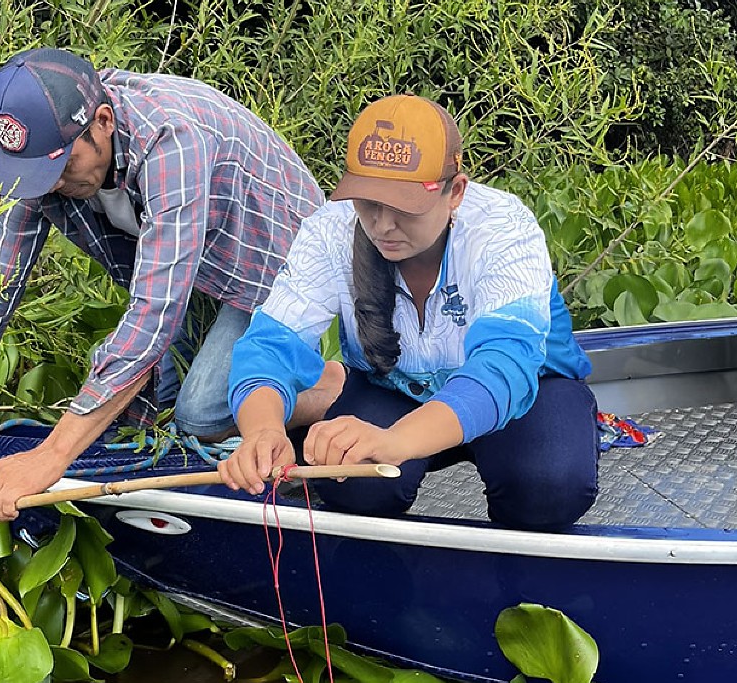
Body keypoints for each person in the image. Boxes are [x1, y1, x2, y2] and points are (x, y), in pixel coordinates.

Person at [0, 48, 334, 553]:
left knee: (200, 414)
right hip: (199, 265)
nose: (51, 185)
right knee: (148, 413)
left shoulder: (172, 141)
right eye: (39, 171)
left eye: (64, 165)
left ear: (103, 121)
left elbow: (152, 318)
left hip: (275, 259)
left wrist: (48, 458)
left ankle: (332, 381)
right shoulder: (42, 156)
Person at [218, 95, 599, 531]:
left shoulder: (503, 229)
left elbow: (502, 368)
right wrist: (263, 431)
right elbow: (270, 346)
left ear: (455, 191)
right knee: (352, 486)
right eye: (368, 203)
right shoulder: (330, 229)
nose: (381, 225)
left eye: (403, 208)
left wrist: (396, 441)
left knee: (549, 487)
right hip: (394, 385)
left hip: (527, 391)